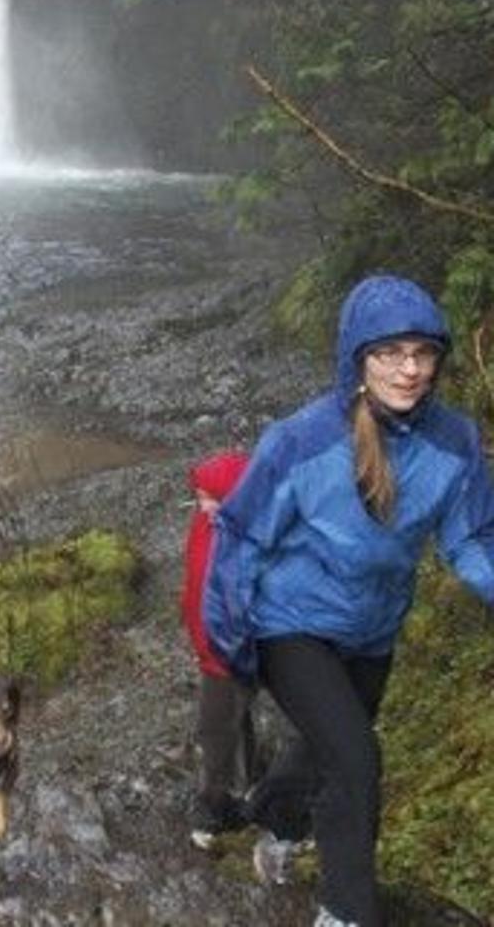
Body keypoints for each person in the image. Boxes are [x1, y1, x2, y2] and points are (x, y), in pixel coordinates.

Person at [203, 273, 494, 927]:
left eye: (423, 353)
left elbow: (473, 539)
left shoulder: (455, 442)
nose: (410, 369)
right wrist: (231, 644)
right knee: (357, 761)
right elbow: (242, 535)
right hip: (291, 626)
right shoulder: (301, 440)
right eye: (391, 353)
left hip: (372, 632)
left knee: (325, 748)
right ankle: (344, 913)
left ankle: (272, 825)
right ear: (358, 359)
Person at [178, 449, 255, 849]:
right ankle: (248, 792)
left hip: (232, 653)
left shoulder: (248, 536)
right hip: (212, 647)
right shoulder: (207, 524)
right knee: (233, 722)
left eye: (210, 496)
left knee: (214, 729)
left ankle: (212, 813)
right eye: (200, 495)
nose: (201, 504)